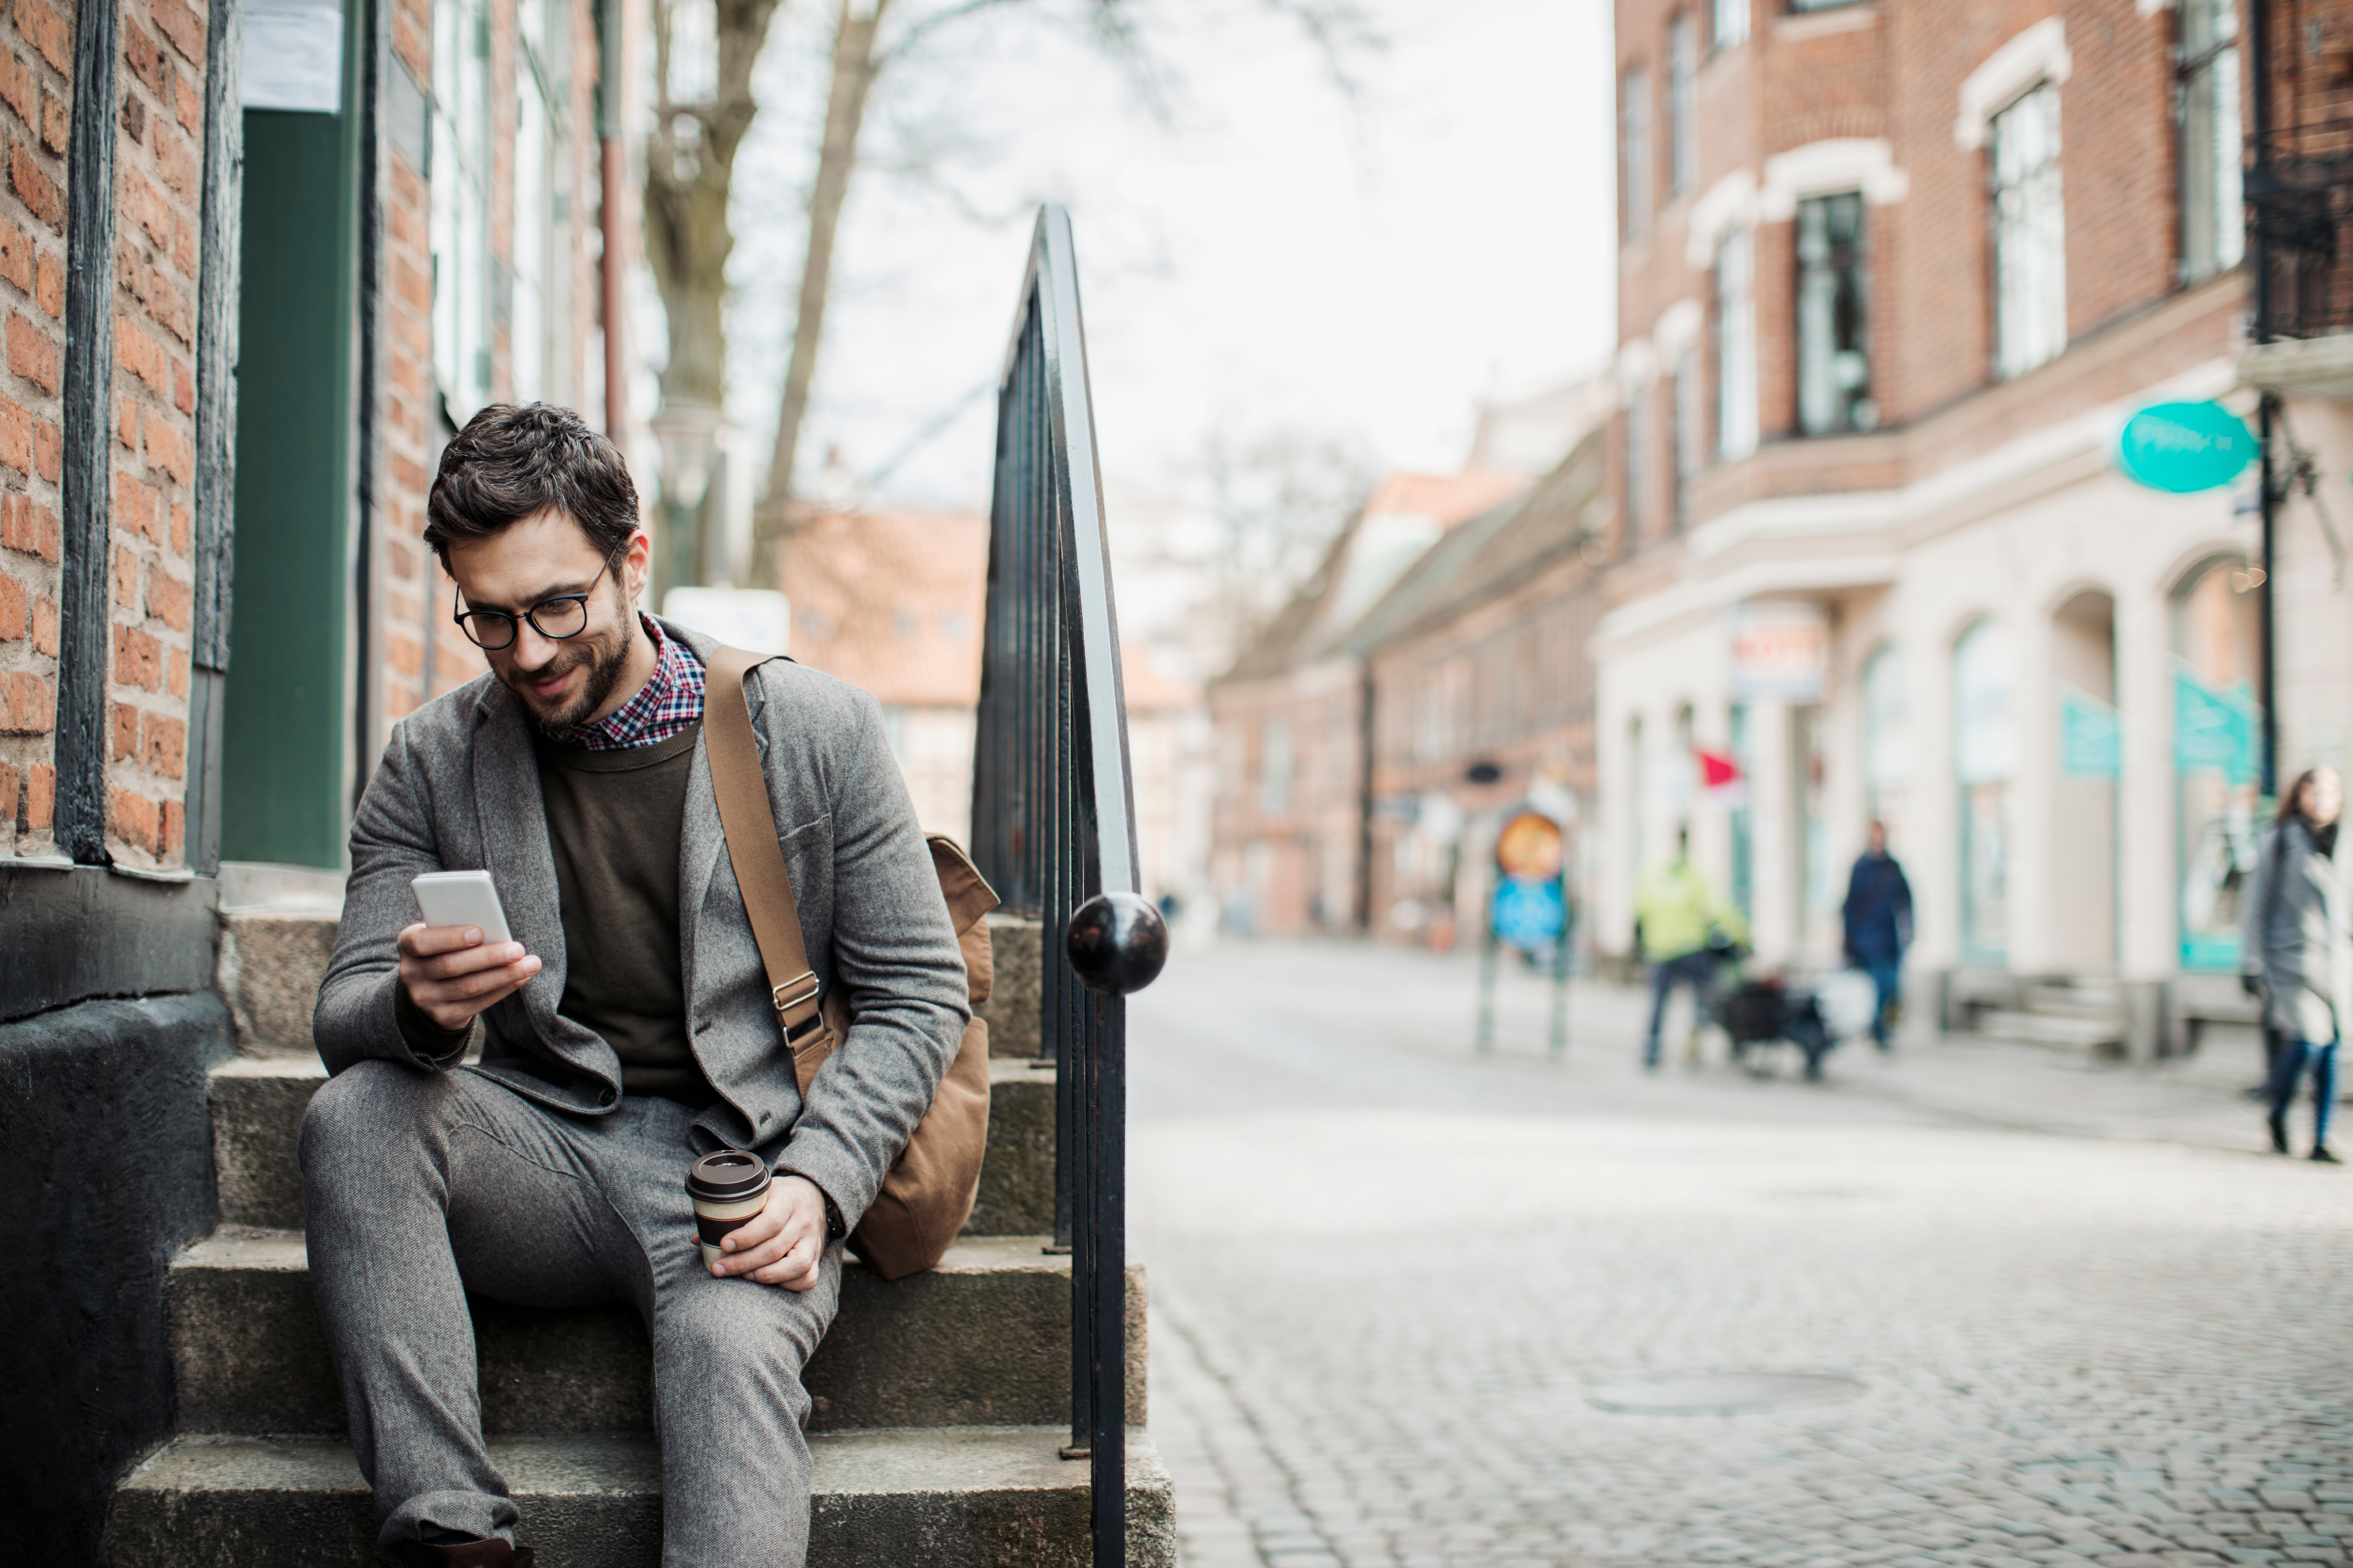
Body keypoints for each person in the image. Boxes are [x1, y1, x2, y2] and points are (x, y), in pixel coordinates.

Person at [302, 404, 971, 1567]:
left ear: (633, 562)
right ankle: (451, 1533)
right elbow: (343, 1014)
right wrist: (414, 1004)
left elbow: (917, 991)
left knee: (724, 1352)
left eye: (558, 605)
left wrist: (818, 1184)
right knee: (354, 1115)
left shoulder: (814, 727)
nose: (529, 652)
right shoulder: (431, 757)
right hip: (547, 1156)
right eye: (491, 618)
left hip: (748, 1172)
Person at [2240, 765, 2348, 1164]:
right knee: (2308, 1040)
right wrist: (2251, 961)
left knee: (2331, 1047)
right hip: (2290, 959)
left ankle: (2319, 1137)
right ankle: (2277, 1110)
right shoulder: (2280, 840)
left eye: (2330, 791)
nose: (2323, 799)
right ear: (2299, 795)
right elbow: (2255, 903)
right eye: (2315, 791)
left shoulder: (2345, 841)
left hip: (2337, 963)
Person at [1635, 827, 1747, 1069]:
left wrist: (1640, 944)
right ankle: (1695, 1038)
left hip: (1660, 948)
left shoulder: (1653, 874)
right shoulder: (1695, 875)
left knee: (1659, 1000)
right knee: (1701, 996)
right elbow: (1718, 910)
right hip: (1691, 947)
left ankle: (1652, 1048)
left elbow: (1640, 911)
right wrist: (1742, 935)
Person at [1840, 820, 1914, 1052]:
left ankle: (1880, 1028)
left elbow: (1907, 901)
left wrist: (1910, 931)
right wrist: (1849, 939)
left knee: (1892, 987)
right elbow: (1850, 905)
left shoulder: (1893, 867)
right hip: (1869, 939)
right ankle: (1879, 1031)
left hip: (1891, 939)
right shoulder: (1861, 867)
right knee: (1882, 984)